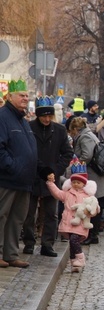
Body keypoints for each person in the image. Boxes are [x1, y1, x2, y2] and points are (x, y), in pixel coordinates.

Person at [23, 96, 74, 257]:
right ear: (38, 115)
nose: (46, 119)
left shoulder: (59, 130)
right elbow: (26, 152)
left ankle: (47, 244)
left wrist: (56, 170)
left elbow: (67, 153)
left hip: (52, 177)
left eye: (49, 116)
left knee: (51, 213)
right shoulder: (29, 127)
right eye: (43, 115)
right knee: (29, 212)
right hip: (32, 175)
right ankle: (29, 242)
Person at [0, 79, 37, 268]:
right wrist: (12, 166)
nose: (25, 98)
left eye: (26, 95)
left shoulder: (22, 119)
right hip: (7, 179)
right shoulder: (3, 117)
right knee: (1, 216)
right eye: (21, 95)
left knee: (17, 219)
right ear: (10, 97)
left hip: (24, 180)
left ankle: (11, 254)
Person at [68, 117, 104, 245]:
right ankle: (92, 234)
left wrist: (76, 164)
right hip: (97, 175)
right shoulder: (87, 134)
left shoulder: (85, 137)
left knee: (94, 206)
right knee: (94, 205)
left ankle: (93, 235)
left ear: (75, 129)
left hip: (96, 176)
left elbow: (87, 155)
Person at [45, 158, 99, 273]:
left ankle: (80, 257)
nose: (75, 184)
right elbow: (58, 194)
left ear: (83, 184)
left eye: (78, 182)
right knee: (72, 243)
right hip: (69, 222)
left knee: (74, 240)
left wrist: (90, 212)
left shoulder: (88, 196)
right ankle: (74, 262)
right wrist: (51, 184)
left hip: (81, 224)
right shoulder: (68, 193)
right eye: (74, 182)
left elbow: (95, 208)